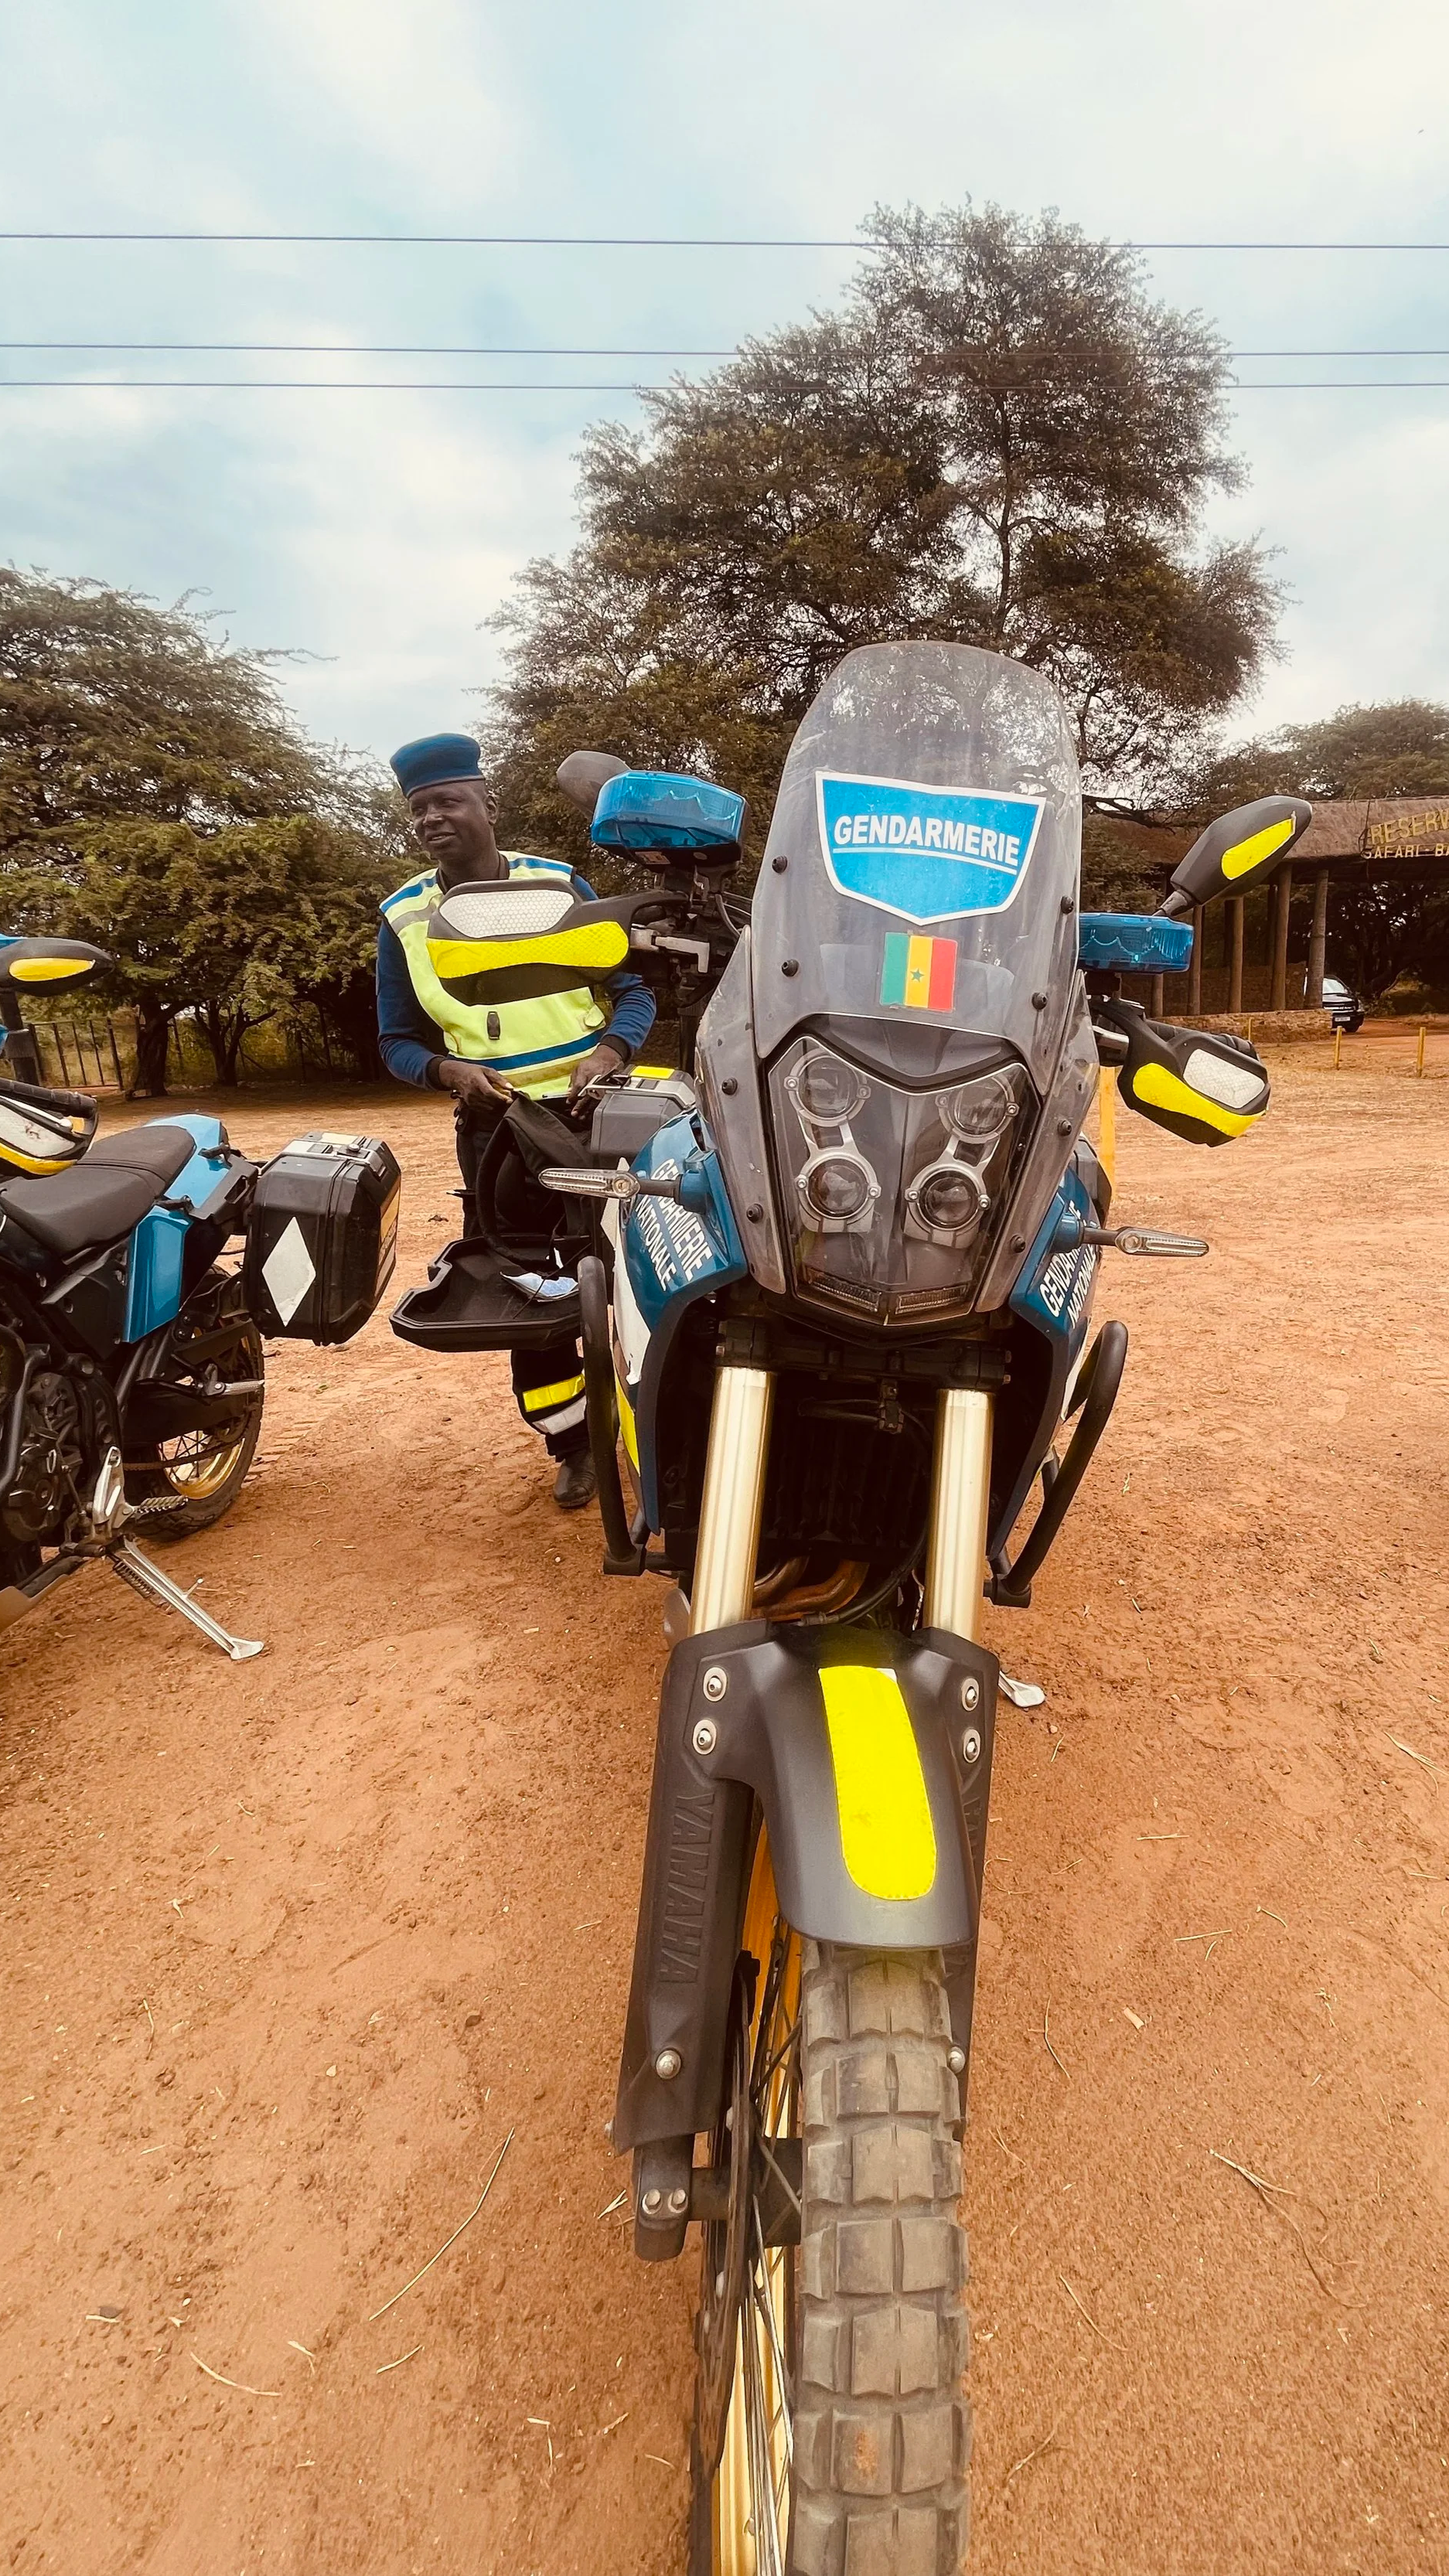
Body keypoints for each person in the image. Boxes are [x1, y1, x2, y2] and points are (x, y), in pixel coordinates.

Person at [377, 731, 655, 1508]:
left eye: (447, 800)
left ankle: (653, 1421)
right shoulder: (402, 916)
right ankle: (571, 1441)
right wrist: (448, 1071)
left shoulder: (558, 885)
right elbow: (395, 1041)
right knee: (530, 1289)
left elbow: (634, 989)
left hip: (598, 1114)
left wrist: (609, 1049)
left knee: (633, 1270)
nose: (431, 817)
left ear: (487, 805)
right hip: (497, 1132)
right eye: (418, 809)